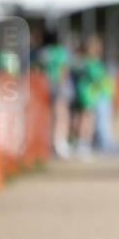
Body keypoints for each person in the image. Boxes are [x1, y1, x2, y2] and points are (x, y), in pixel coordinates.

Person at [35, 30, 73, 159]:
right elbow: (64, 70)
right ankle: (59, 142)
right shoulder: (61, 52)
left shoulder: (42, 52)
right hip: (58, 86)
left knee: (49, 117)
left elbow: (37, 70)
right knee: (61, 115)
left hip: (44, 86)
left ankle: (51, 143)